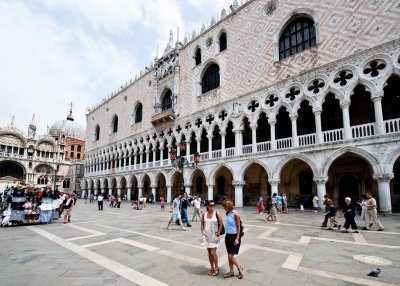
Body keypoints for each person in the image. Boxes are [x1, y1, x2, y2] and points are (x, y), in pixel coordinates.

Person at [221, 199, 244, 279]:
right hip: (228, 236)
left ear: (228, 206)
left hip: (234, 236)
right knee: (229, 255)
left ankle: (239, 268)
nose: (223, 208)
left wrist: (237, 238)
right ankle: (231, 271)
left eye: (224, 206)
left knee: (231, 256)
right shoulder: (228, 213)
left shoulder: (235, 214)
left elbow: (238, 227)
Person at [201, 200, 223, 276]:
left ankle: (216, 267)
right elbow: (202, 224)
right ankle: (212, 268)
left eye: (214, 205)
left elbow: (221, 224)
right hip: (207, 236)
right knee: (209, 253)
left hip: (214, 236)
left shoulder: (217, 214)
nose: (212, 207)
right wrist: (202, 233)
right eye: (211, 205)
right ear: (207, 206)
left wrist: (219, 232)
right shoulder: (204, 214)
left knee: (213, 253)